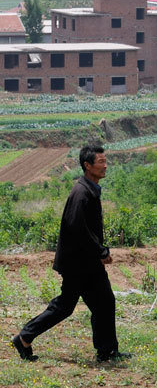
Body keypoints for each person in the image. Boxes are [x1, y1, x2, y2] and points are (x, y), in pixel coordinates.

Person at [12, 145, 131, 363]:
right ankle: (24, 337)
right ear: (87, 166)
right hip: (79, 263)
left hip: (86, 262)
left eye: (106, 161)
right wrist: (101, 251)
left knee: (103, 302)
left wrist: (98, 252)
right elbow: (78, 229)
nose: (105, 166)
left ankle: (107, 351)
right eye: (101, 162)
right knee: (66, 306)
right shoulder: (81, 193)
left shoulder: (89, 189)